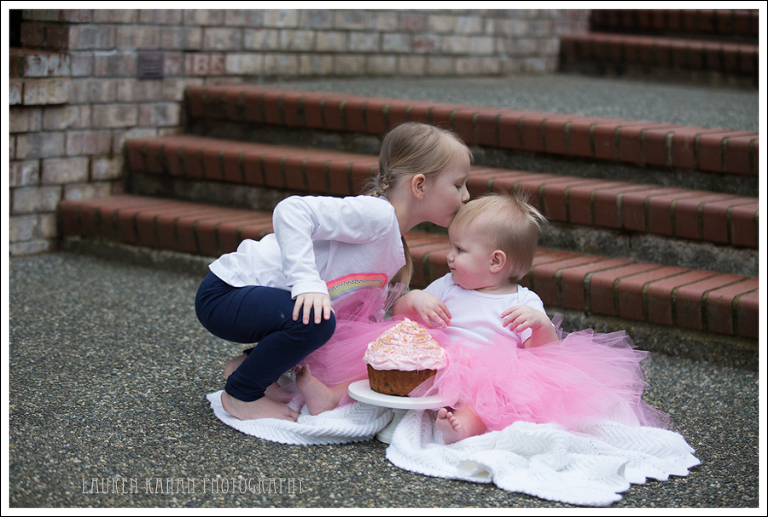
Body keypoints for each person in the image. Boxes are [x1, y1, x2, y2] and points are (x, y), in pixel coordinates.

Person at [195, 122, 472, 422]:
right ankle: (241, 394)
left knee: (331, 323)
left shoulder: (392, 242)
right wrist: (306, 283)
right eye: (459, 185)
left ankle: (247, 367)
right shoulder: (377, 214)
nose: (466, 196)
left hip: (248, 302)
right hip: (225, 293)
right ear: (419, 185)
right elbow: (292, 211)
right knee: (319, 319)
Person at [392, 192, 671, 444]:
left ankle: (462, 427)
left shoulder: (522, 302)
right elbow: (400, 319)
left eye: (460, 250)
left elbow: (546, 357)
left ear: (495, 261)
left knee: (482, 400)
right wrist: (414, 299)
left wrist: (540, 325)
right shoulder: (446, 285)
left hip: (491, 379)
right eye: (452, 247)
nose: (449, 256)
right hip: (442, 366)